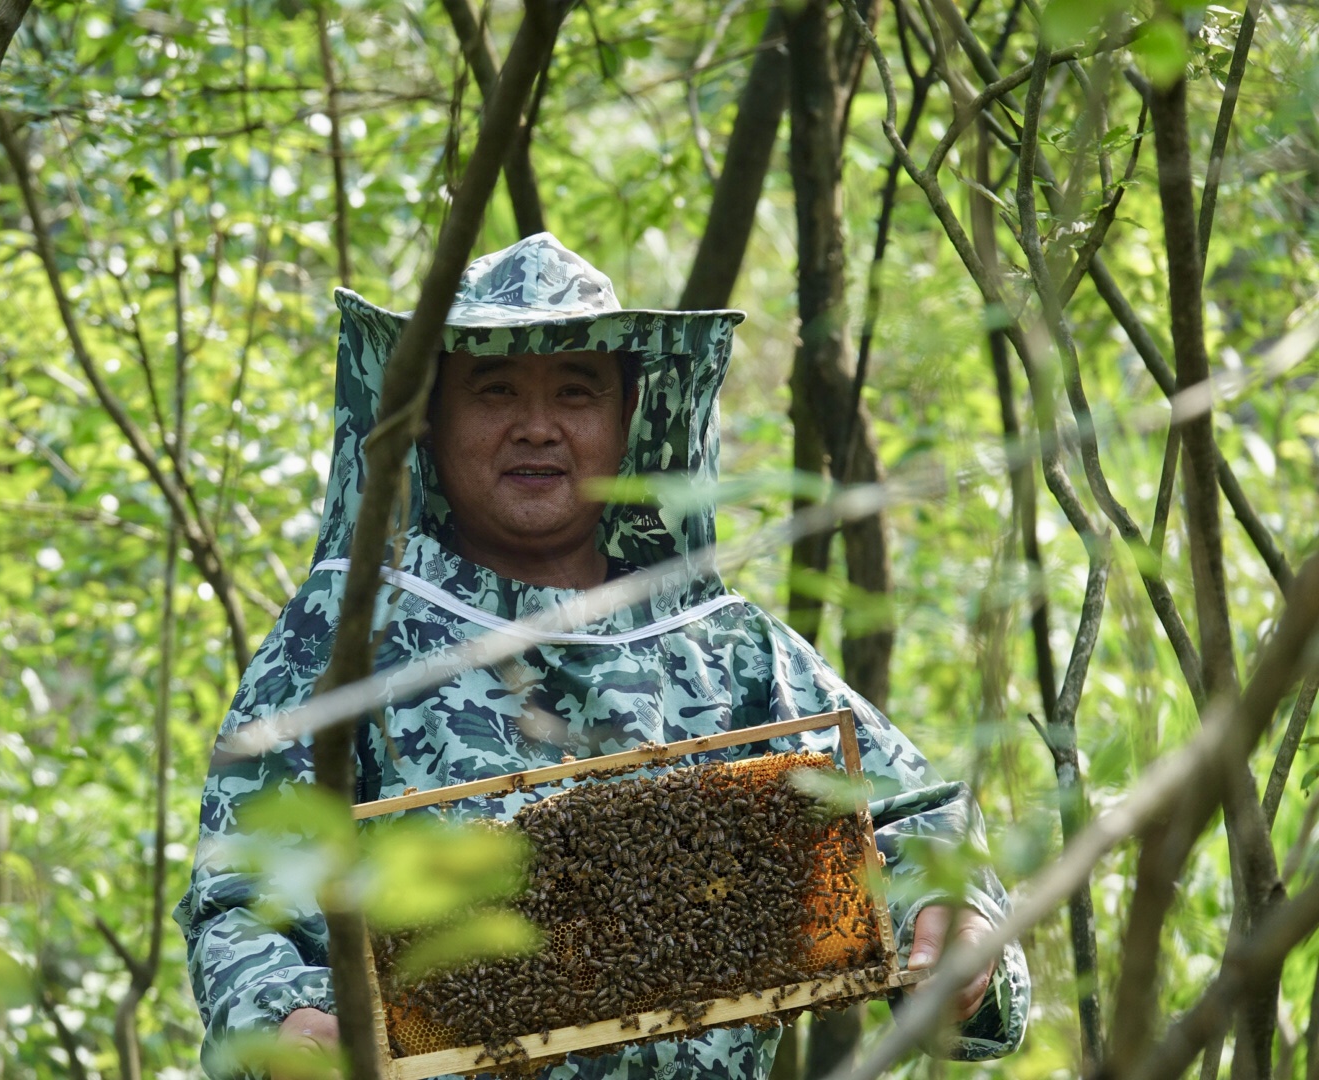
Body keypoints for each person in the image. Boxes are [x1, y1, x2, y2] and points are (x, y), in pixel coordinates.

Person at [174, 234, 1029, 1078]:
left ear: (627, 419)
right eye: (496, 390)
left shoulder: (729, 648)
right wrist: (288, 1017)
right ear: (431, 418)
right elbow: (243, 898)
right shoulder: (347, 634)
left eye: (575, 392)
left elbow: (918, 817)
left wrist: (951, 921)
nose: (537, 427)